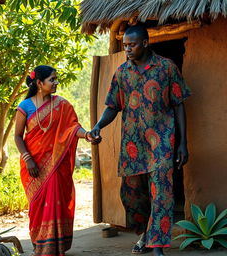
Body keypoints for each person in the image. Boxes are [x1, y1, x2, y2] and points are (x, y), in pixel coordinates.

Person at [90, 24, 191, 256]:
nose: (127, 49)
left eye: (132, 45)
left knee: (162, 192)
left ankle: (158, 246)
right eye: (125, 45)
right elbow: (112, 107)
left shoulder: (166, 67)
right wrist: (97, 125)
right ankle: (145, 234)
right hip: (133, 146)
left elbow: (179, 104)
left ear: (145, 43)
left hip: (162, 143)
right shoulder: (122, 72)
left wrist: (183, 143)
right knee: (133, 195)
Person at [14, 65, 99, 256]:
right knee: (37, 205)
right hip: (33, 165)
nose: (56, 83)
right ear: (39, 83)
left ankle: (55, 245)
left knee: (57, 200)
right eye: (52, 79)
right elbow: (18, 136)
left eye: (56, 79)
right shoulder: (24, 107)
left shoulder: (62, 104)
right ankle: (39, 243)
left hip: (55, 164)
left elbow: (71, 128)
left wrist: (87, 135)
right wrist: (28, 160)